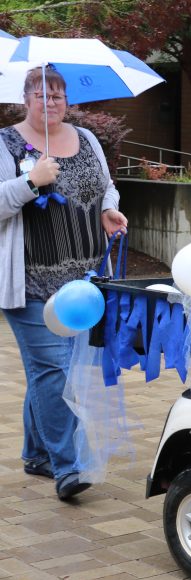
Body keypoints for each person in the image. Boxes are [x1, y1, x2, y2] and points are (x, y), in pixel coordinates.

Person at [0, 67, 128, 501]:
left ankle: (37, 452)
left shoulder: (87, 139)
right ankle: (69, 466)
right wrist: (29, 183)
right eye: (39, 93)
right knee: (53, 371)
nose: (49, 101)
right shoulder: (5, 142)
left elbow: (106, 186)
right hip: (31, 282)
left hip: (85, 281)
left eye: (56, 94)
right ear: (25, 98)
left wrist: (109, 210)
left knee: (62, 371)